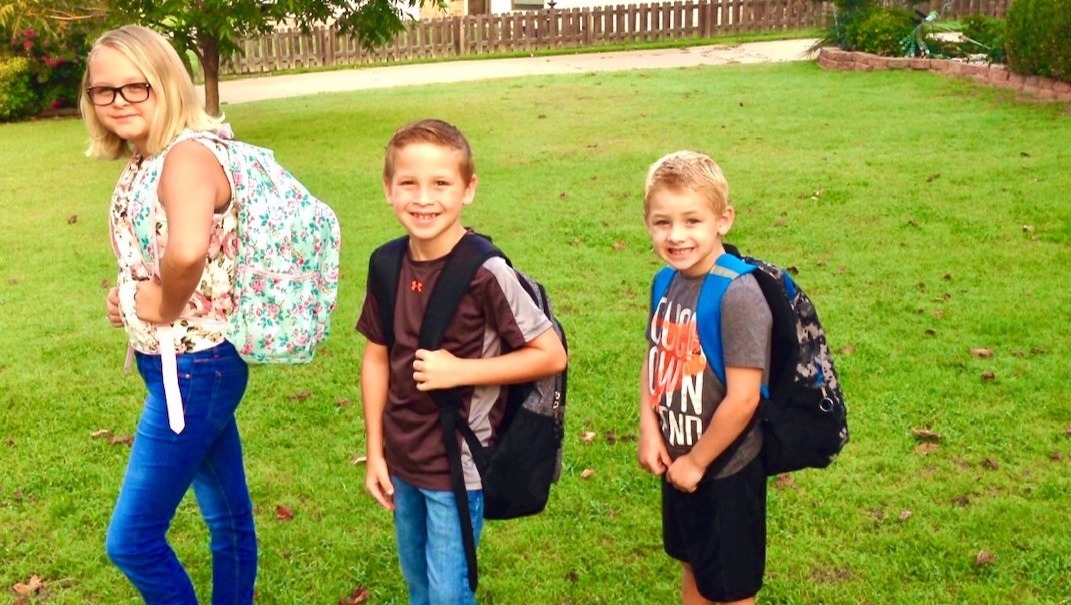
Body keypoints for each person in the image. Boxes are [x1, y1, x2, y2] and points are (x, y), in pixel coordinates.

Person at [355, 118, 568, 604]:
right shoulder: (385, 264)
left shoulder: (485, 271)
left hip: (458, 465)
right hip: (402, 460)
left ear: (468, 189)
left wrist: (461, 371)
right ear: (388, 189)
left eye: (441, 184)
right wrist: (376, 451)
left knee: (448, 594)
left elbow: (550, 354)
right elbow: (376, 358)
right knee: (418, 585)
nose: (423, 199)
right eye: (408, 183)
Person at [82, 25, 256, 604]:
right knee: (227, 517)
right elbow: (158, 256)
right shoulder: (148, 158)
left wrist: (159, 302)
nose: (119, 101)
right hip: (179, 365)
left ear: (167, 83)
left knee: (131, 541)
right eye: (103, 90)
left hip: (196, 368)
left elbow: (185, 254)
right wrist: (129, 297)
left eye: (137, 86)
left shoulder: (185, 156)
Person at [637, 151, 773, 605]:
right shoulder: (665, 282)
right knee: (693, 563)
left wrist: (697, 461)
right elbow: (655, 357)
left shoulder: (738, 294)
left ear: (723, 220)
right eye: (662, 222)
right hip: (678, 462)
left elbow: (744, 399)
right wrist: (649, 428)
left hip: (726, 469)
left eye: (692, 220)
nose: (676, 235)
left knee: (731, 589)